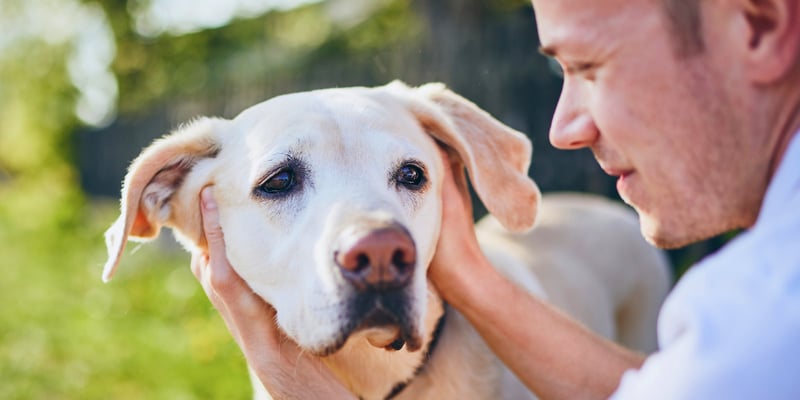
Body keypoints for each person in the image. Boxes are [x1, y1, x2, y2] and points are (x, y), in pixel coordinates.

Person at [191, 0, 800, 398]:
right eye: (279, 185)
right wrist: (470, 280)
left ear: (761, 26)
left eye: (589, 67)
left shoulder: (768, 313)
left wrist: (285, 378)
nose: (562, 129)